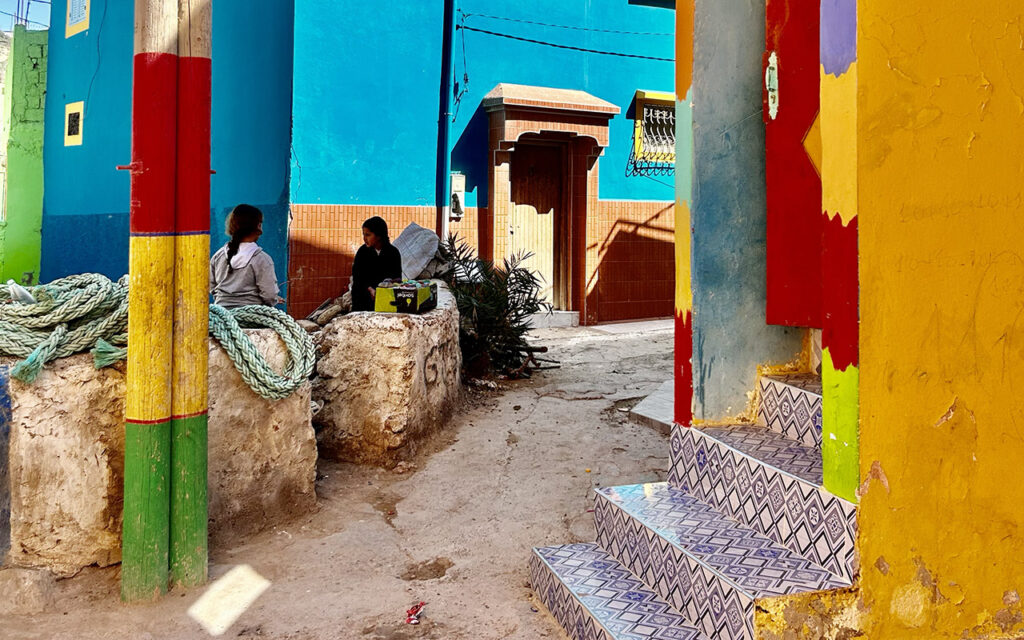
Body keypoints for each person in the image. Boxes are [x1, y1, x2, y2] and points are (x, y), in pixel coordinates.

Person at [209, 204, 281, 308]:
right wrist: (274, 300)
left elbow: (211, 285)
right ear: (258, 226)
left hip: (222, 312)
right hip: (252, 315)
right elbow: (269, 295)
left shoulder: (218, 255)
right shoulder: (262, 259)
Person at [350, 216, 402, 311]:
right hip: (363, 301)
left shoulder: (393, 253)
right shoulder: (362, 252)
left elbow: (397, 277)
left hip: (385, 299)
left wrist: (384, 287)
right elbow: (357, 277)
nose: (364, 238)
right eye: (363, 234)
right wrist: (370, 289)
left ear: (379, 236)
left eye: (368, 235)